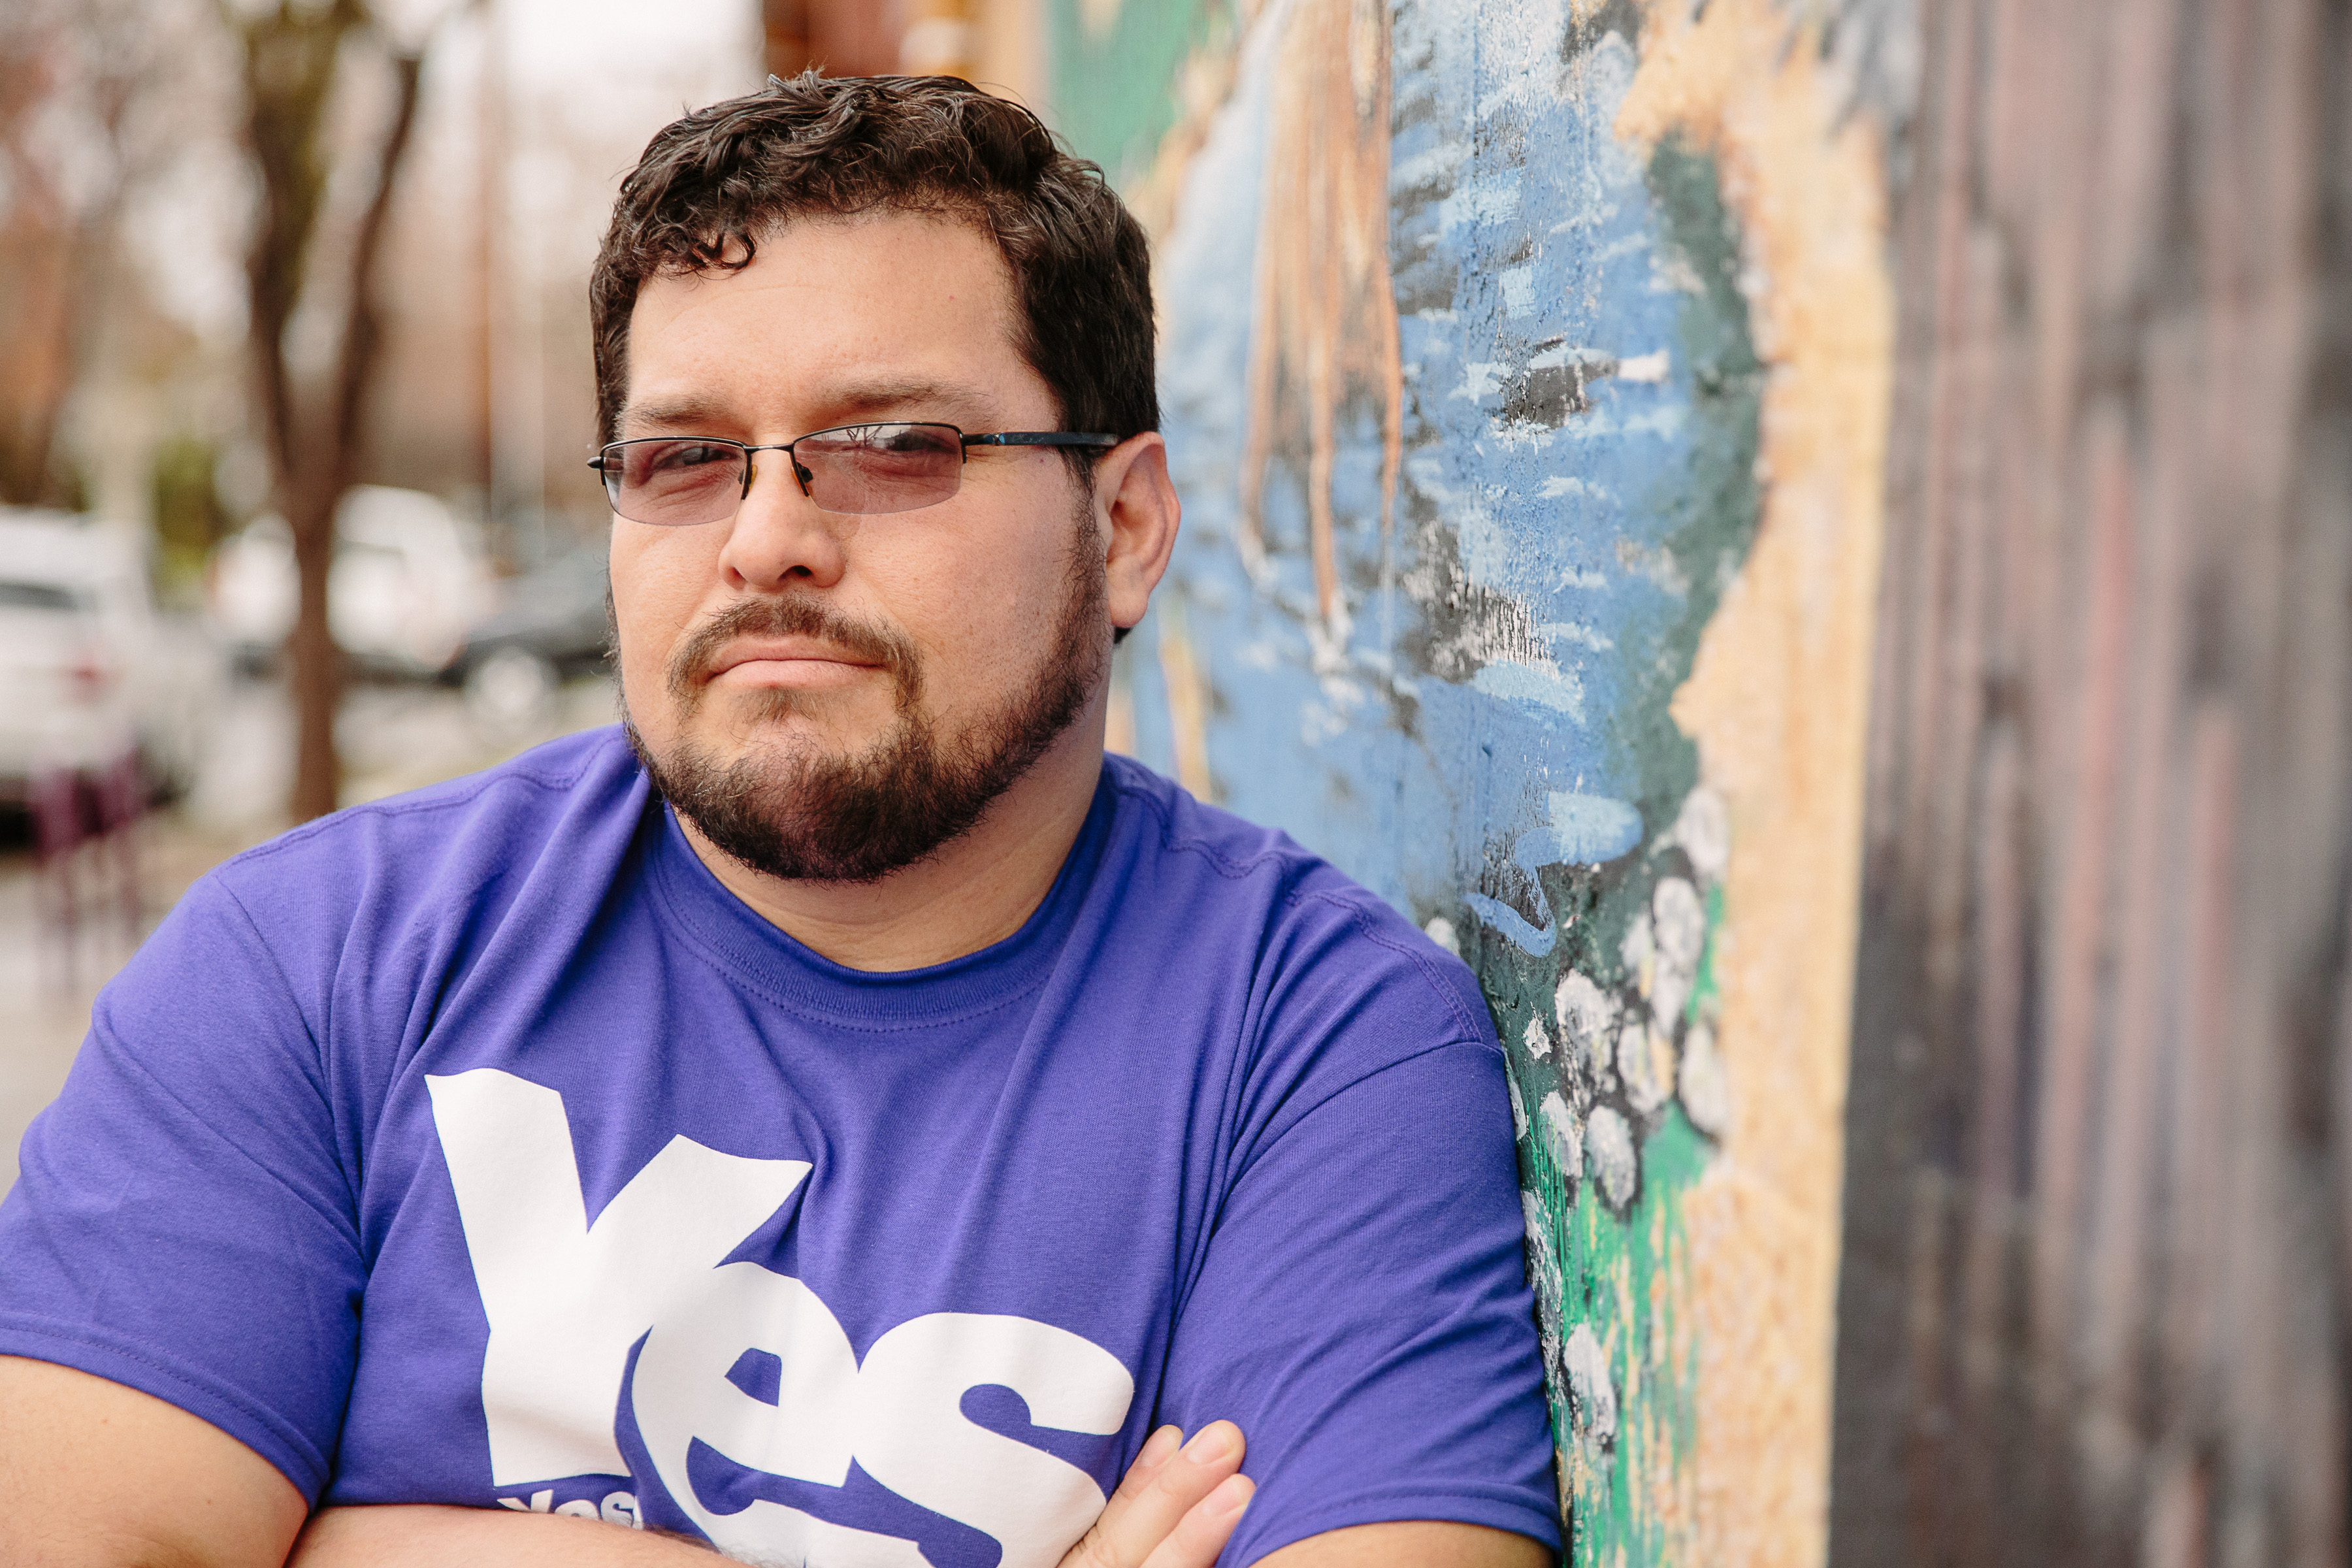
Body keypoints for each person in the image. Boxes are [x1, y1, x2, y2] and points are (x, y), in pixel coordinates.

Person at [0, 74, 1557, 1568]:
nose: (766, 541)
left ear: (1126, 526)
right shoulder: (316, 968)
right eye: (682, 460)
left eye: (893, 448)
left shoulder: (1326, 1055)